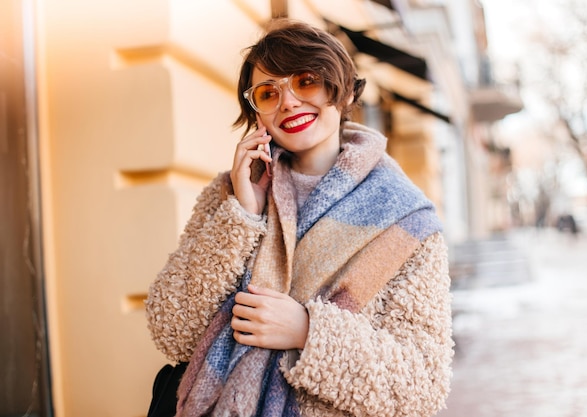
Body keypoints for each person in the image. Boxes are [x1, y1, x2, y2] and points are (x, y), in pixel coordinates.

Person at [145, 18, 453, 417]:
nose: (288, 101)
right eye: (268, 93)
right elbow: (171, 330)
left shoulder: (404, 218)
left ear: (340, 91)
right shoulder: (230, 196)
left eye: (306, 81)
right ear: (257, 114)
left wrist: (308, 332)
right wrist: (243, 215)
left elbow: (423, 384)